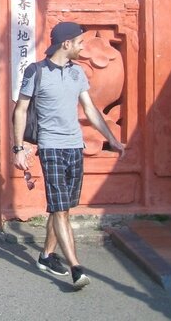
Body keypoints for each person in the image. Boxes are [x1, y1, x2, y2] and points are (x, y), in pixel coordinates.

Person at [12, 21, 124, 290]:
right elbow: (21, 110)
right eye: (79, 43)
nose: (82, 47)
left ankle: (46, 256)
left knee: (64, 207)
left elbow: (90, 109)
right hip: (51, 147)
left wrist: (111, 139)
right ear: (66, 44)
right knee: (60, 209)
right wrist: (19, 148)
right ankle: (76, 268)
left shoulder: (77, 74)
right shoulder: (36, 72)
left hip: (75, 146)